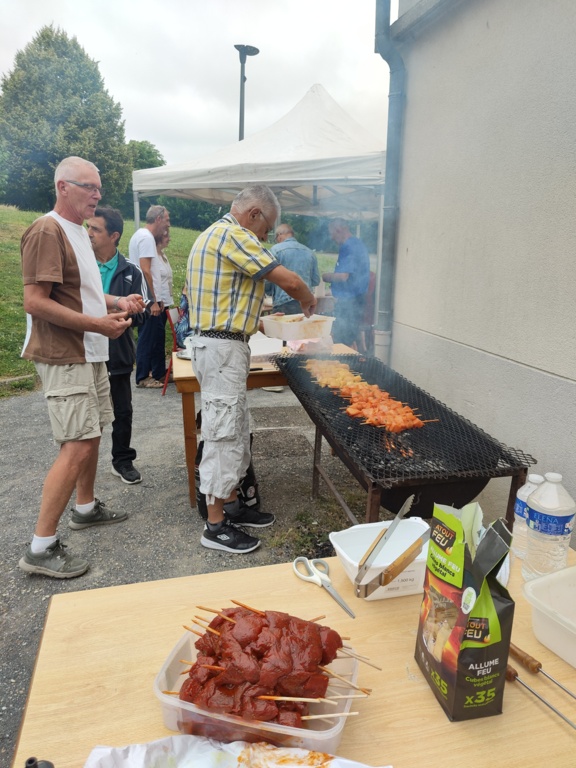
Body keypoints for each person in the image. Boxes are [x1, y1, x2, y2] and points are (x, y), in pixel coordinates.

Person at [18, 156, 145, 579]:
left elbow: (83, 293)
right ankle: (40, 546)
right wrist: (97, 324)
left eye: (99, 188)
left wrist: (117, 302)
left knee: (92, 434)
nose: (97, 194)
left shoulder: (77, 232)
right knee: (77, 443)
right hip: (65, 352)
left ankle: (86, 508)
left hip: (90, 350)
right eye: (88, 187)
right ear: (63, 187)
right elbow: (35, 301)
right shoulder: (47, 229)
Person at [185, 185, 317, 554]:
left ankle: (232, 506)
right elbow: (289, 280)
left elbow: (224, 303)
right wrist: (308, 299)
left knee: (236, 428)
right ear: (254, 214)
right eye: (266, 229)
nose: (266, 237)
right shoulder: (234, 234)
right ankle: (215, 526)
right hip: (221, 351)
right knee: (223, 434)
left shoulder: (215, 235)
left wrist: (261, 324)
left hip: (222, 346)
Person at [87, 206, 148, 485]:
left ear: (113, 236)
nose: (89, 233)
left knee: (122, 411)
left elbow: (143, 313)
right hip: (84, 351)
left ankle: (122, 460)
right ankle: (81, 468)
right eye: (88, 227)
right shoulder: (80, 265)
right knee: (88, 414)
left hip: (117, 351)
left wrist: (122, 315)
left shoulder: (132, 271)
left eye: (95, 229)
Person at [128, 204, 171, 388]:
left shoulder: (142, 236)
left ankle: (158, 373)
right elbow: (145, 270)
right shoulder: (146, 238)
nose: (168, 224)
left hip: (148, 297)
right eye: (167, 220)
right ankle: (143, 376)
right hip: (147, 298)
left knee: (155, 336)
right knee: (147, 337)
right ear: (158, 219)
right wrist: (152, 300)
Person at [322, 218, 370, 348]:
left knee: (342, 341)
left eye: (332, 233)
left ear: (338, 230)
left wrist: (326, 276)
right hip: (356, 300)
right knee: (351, 338)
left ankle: (346, 360)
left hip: (349, 302)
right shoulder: (358, 244)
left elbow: (343, 276)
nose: (332, 238)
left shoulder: (349, 246)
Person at [267, 223, 320, 313]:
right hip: (305, 303)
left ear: (279, 235)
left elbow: (268, 279)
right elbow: (315, 280)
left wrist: (269, 292)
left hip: (283, 304)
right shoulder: (310, 252)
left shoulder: (275, 250)